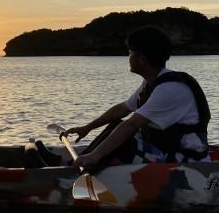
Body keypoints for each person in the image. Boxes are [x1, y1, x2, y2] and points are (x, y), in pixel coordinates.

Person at [68, 25, 210, 168]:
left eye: (130, 52)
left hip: (185, 161)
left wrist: (95, 156)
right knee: (115, 127)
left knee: (125, 140)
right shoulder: (152, 82)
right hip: (163, 150)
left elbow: (132, 124)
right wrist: (87, 128)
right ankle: (72, 163)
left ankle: (84, 165)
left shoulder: (170, 89)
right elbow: (123, 109)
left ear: (141, 59)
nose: (128, 57)